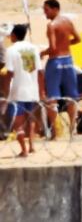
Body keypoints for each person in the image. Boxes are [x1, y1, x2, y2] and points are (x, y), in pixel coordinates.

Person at [41, 0, 81, 135]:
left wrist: (42, 52)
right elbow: (78, 39)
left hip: (55, 61)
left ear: (55, 9)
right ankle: (73, 128)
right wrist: (65, 44)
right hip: (68, 61)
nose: (44, 13)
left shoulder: (52, 25)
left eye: (46, 9)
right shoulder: (68, 21)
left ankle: (55, 130)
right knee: (72, 96)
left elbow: (52, 47)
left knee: (52, 97)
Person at [6, 24, 43, 157]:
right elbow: (39, 71)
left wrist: (5, 90)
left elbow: (9, 72)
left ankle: (24, 150)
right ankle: (32, 146)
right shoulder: (33, 48)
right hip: (32, 89)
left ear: (14, 35)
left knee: (18, 122)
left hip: (18, 90)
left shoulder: (11, 50)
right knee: (30, 119)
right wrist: (42, 91)